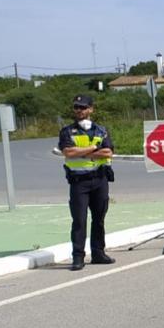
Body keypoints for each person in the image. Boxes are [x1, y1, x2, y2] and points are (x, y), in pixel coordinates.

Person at [58, 94, 116, 271]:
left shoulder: (101, 130)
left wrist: (81, 152)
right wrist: (92, 149)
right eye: (76, 107)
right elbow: (68, 152)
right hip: (79, 182)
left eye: (83, 107)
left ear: (91, 109)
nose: (79, 110)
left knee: (99, 219)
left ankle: (98, 253)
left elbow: (107, 152)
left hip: (99, 179)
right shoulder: (67, 131)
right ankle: (78, 256)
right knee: (79, 220)